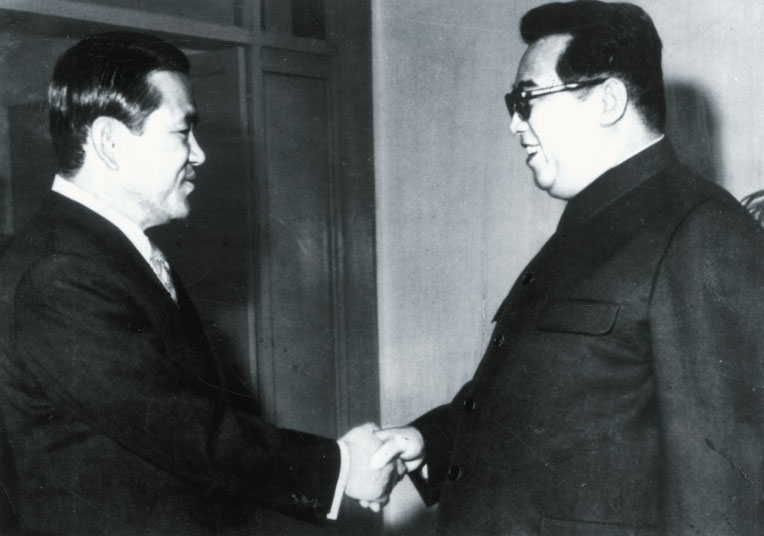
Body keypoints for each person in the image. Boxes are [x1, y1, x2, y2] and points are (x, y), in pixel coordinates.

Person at [372, 2, 764, 534]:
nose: (515, 123)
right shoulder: (591, 225)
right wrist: (429, 440)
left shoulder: (702, 231)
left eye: (526, 98)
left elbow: (723, 494)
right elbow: (546, 407)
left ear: (607, 100)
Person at [0, 31, 396, 535]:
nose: (199, 154)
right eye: (182, 132)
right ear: (110, 142)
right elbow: (179, 427)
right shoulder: (60, 273)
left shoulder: (102, 253)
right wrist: (340, 467)